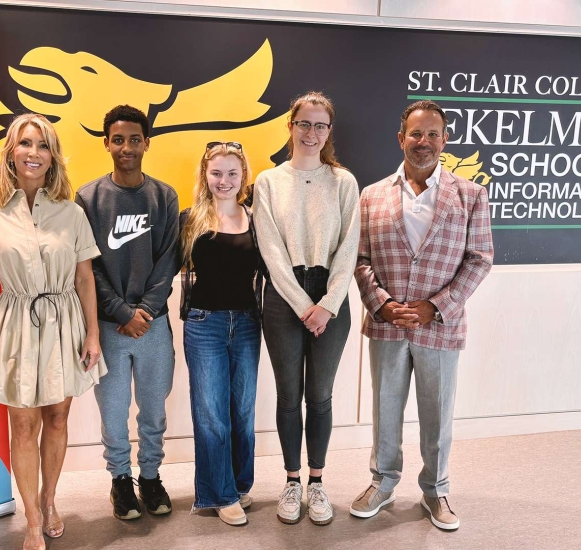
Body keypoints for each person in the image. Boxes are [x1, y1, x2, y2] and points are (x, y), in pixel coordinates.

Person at [351, 100, 493, 530]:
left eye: (433, 134)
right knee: (385, 410)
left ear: (445, 140)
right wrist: (382, 303)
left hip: (440, 328)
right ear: (401, 139)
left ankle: (436, 490)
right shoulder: (371, 195)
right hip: (387, 326)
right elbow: (359, 259)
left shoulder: (470, 195)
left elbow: (480, 259)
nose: (424, 142)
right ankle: (383, 481)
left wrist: (438, 306)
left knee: (437, 413)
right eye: (416, 134)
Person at [0, 113, 105, 550]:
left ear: (53, 156)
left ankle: (49, 501)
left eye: (43, 145)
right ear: (10, 151)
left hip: (65, 321)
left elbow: (85, 278)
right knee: (22, 424)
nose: (34, 153)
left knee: (58, 416)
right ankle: (30, 519)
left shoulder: (72, 211)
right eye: (26, 143)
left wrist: (93, 333)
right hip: (15, 325)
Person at [253, 91, 360, 526]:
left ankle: (317, 482)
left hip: (331, 301)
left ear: (328, 132)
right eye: (304, 124)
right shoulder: (268, 181)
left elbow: (349, 247)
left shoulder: (344, 182)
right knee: (287, 396)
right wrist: (302, 304)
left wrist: (328, 304)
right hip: (283, 298)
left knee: (319, 397)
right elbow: (271, 250)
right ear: (291, 126)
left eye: (320, 126)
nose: (311, 133)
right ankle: (292, 480)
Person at [74, 105, 179, 521]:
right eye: (118, 139)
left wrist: (146, 311)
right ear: (106, 143)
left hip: (153, 326)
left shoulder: (164, 196)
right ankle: (120, 481)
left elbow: (170, 259)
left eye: (134, 139)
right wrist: (121, 311)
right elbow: (87, 267)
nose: (126, 147)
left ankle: (150, 477)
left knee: (153, 410)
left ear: (146, 143)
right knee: (113, 412)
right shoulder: (87, 199)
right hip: (108, 327)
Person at [179, 142, 263, 526]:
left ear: (243, 176)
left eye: (232, 173)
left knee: (243, 411)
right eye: (216, 173)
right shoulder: (189, 219)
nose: (224, 181)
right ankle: (219, 493)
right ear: (205, 175)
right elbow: (165, 268)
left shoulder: (256, 219)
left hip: (247, 322)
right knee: (212, 413)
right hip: (204, 323)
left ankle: (240, 484)